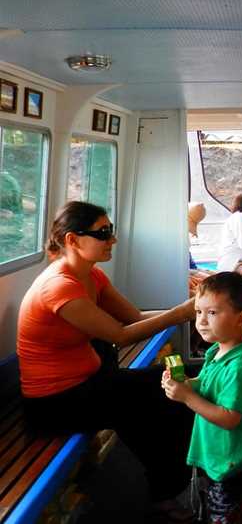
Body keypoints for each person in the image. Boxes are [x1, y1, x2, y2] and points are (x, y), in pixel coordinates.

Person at [17, 201, 195, 521]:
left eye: (111, 232)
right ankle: (167, 491)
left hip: (88, 384)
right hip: (55, 403)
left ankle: (171, 483)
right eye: (103, 233)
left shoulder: (93, 277)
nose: (112, 240)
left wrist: (196, 312)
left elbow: (136, 318)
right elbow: (121, 335)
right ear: (72, 240)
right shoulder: (59, 287)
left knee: (175, 387)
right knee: (155, 401)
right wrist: (180, 313)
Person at [162, 272, 242, 523]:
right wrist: (187, 384)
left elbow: (230, 418)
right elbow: (206, 384)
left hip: (231, 464)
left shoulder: (238, 367)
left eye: (212, 313)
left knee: (227, 515)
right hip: (215, 456)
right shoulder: (216, 351)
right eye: (198, 312)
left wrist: (187, 397)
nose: (202, 321)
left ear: (241, 318)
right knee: (212, 510)